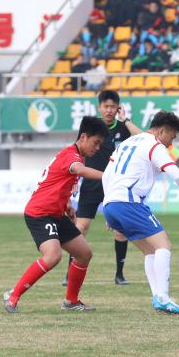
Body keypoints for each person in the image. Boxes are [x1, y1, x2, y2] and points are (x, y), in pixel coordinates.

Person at [102, 111, 179, 314]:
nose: (170, 144)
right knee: (164, 245)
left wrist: (108, 204)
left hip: (112, 204)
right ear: (162, 131)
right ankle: (163, 297)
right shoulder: (154, 145)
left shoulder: (127, 143)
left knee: (150, 250)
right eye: (172, 138)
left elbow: (106, 175)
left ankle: (158, 297)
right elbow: (177, 175)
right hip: (129, 202)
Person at [3, 116, 109, 313]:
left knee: (84, 254)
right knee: (53, 256)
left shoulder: (72, 155)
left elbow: (57, 181)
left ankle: (71, 302)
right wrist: (110, 176)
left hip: (56, 214)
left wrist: (67, 205)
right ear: (83, 137)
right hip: (40, 213)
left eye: (100, 144)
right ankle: (13, 295)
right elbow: (79, 170)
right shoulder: (72, 156)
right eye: (96, 142)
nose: (97, 148)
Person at [63, 91, 142, 286]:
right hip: (91, 184)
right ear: (99, 107)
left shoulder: (123, 128)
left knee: (120, 230)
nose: (109, 110)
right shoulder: (91, 127)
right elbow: (78, 152)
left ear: (118, 108)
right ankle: (69, 274)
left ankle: (119, 275)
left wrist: (126, 120)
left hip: (115, 185)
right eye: (106, 106)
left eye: (113, 106)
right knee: (81, 227)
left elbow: (142, 139)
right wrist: (74, 179)